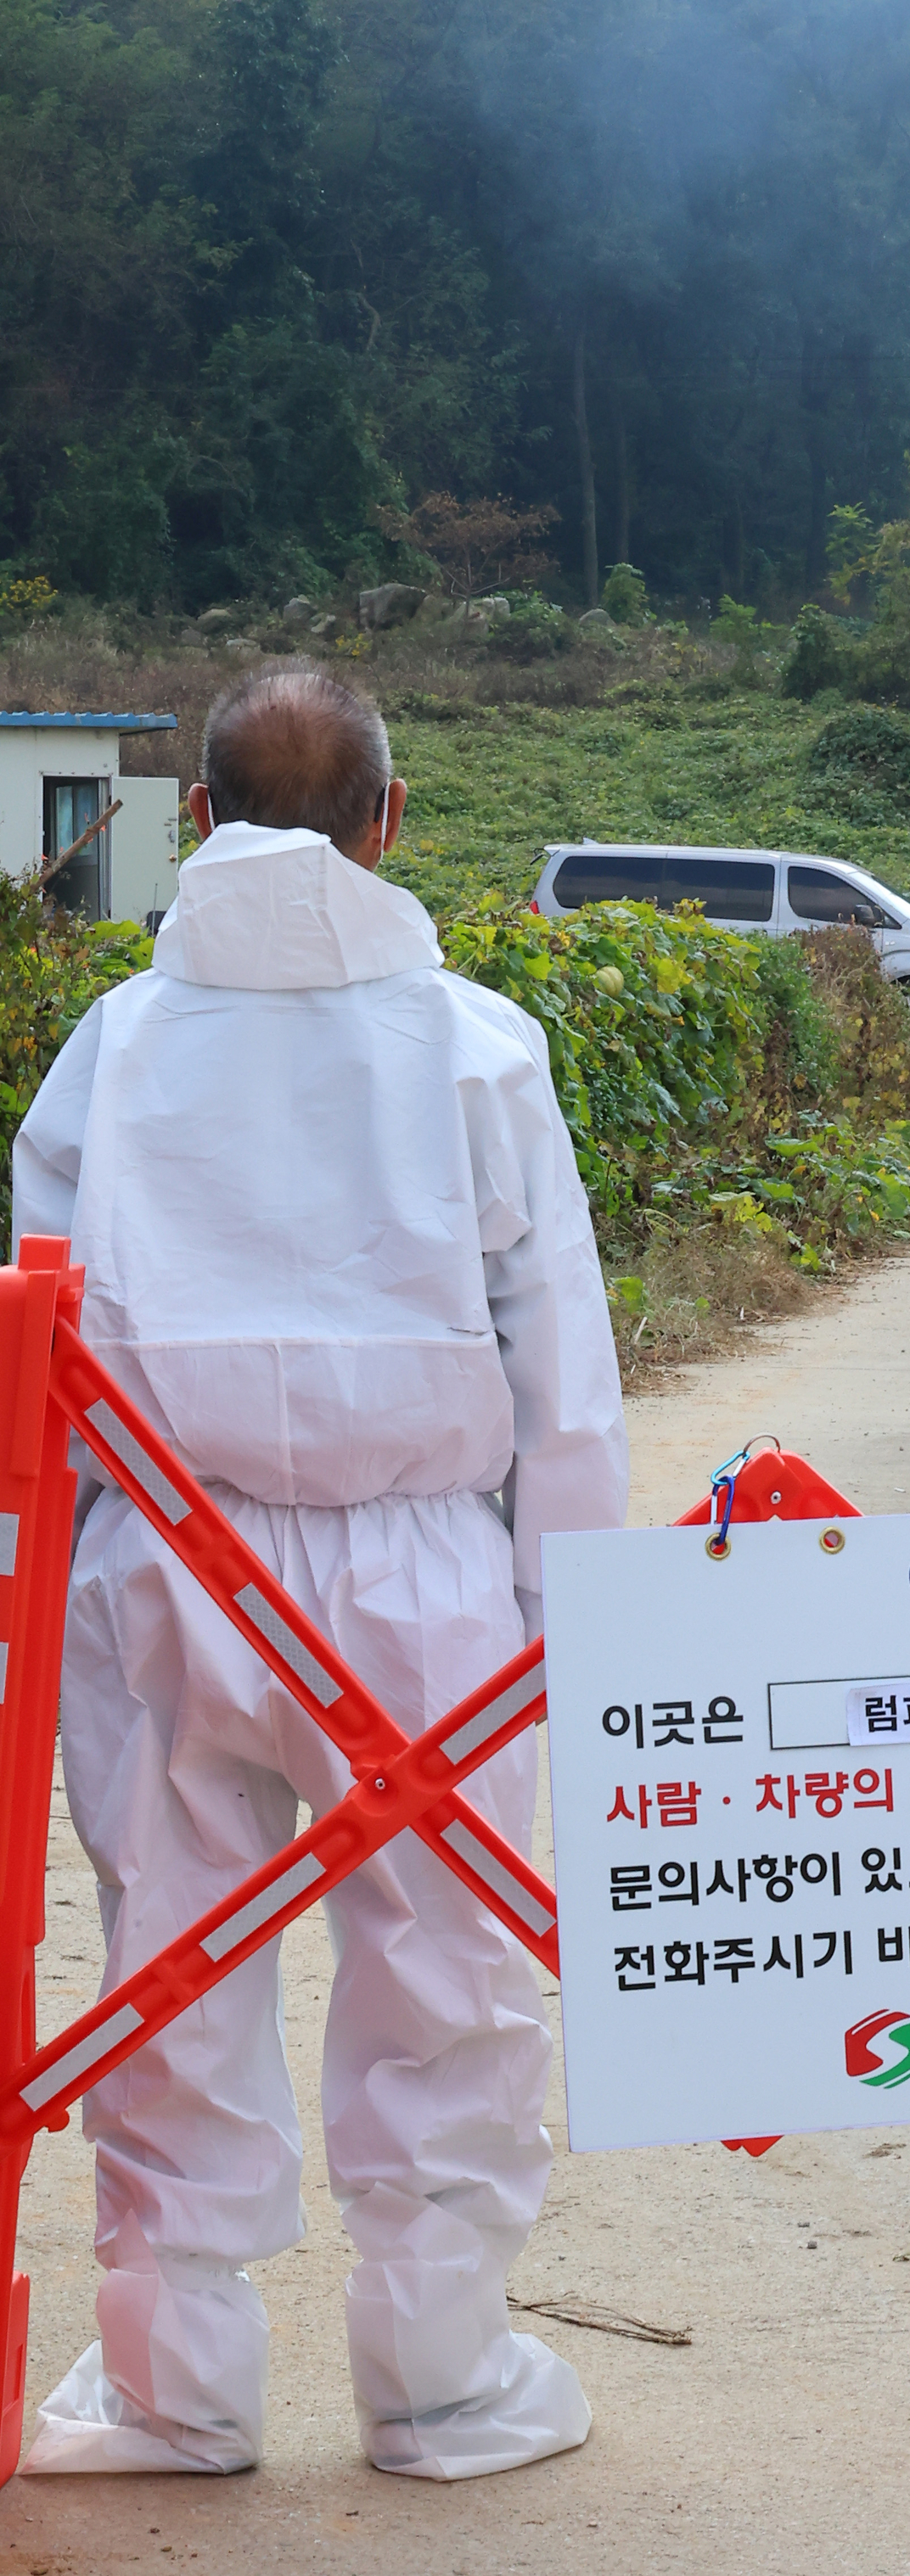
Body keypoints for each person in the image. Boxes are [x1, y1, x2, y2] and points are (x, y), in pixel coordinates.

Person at [12, 664, 628, 2478]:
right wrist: (572, 1628)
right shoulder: (477, 1045)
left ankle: (172, 2386)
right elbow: (560, 1383)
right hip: (427, 1576)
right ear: (393, 818)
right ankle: (440, 2380)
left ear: (190, 822)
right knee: (446, 1971)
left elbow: (33, 1362)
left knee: (169, 1964)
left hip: (163, 1569)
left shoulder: (107, 1052)